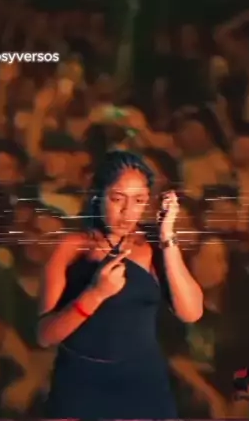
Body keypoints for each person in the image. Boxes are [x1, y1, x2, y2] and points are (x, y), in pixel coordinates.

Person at [38, 150, 204, 420]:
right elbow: (45, 335)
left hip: (141, 380)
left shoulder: (153, 247)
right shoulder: (73, 247)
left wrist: (167, 237)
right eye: (117, 199)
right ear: (98, 196)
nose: (127, 211)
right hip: (80, 381)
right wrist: (95, 294)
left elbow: (191, 312)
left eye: (138, 200)